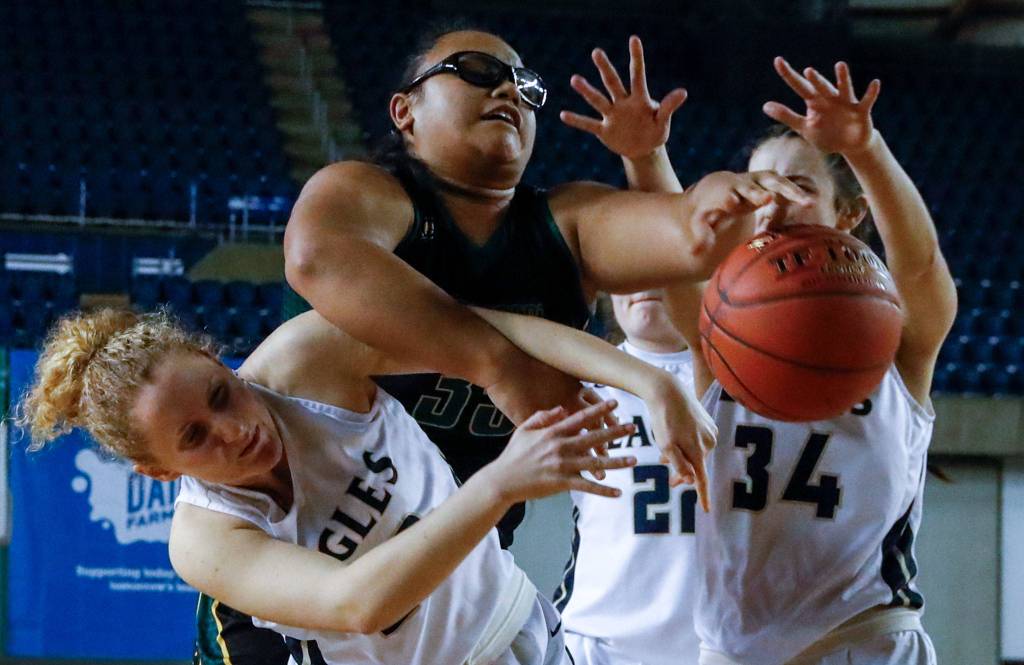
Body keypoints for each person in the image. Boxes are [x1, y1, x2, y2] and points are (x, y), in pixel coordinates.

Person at [18, 301, 713, 665]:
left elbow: (492, 330)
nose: (233, 430)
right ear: (159, 471)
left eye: (221, 394)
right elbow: (356, 603)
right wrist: (500, 483)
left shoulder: (308, 357)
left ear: (215, 357)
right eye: (195, 437)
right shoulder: (202, 540)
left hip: (518, 630)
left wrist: (651, 384)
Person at [665, 59, 956, 665]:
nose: (772, 204)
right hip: (731, 654)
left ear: (848, 213)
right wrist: (646, 156)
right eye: (759, 187)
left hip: (863, 642)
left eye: (797, 186)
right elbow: (670, 250)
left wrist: (866, 150)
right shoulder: (718, 326)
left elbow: (923, 266)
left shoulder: (893, 333)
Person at [551, 36, 703, 665]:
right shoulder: (580, 375)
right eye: (627, 267)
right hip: (595, 645)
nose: (644, 281)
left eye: (655, 264)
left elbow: (683, 247)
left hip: (717, 648)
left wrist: (648, 158)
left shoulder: (741, 376)